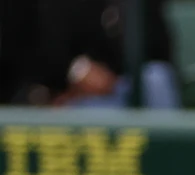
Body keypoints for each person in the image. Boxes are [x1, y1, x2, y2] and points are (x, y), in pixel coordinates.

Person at [2, 0, 180, 107]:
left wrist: (113, 78)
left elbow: (161, 49)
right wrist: (76, 71)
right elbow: (36, 47)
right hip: (68, 93)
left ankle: (168, 164)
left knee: (157, 79)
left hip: (124, 85)